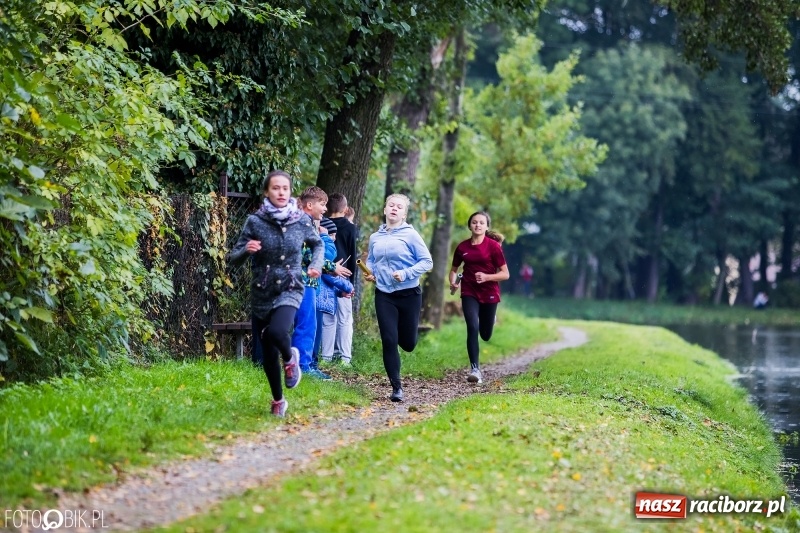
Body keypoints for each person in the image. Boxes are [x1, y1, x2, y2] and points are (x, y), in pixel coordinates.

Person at [228, 170, 323, 417]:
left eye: (285, 188)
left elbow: (318, 244)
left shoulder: (300, 220)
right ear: (266, 192)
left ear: (290, 192)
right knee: (268, 353)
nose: (281, 192)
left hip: (290, 287)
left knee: (278, 332)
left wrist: (315, 264)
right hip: (262, 291)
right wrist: (246, 250)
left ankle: (290, 356)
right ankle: (278, 400)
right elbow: (232, 258)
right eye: (276, 188)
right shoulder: (255, 222)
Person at [364, 194, 433, 402]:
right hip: (384, 293)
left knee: (409, 343)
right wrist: (371, 272)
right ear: (385, 210)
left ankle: (408, 341)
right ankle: (396, 387)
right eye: (391, 205)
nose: (394, 208)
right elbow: (372, 260)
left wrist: (405, 273)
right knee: (388, 339)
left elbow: (427, 262)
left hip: (409, 294)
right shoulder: (375, 237)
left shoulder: (411, 235)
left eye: (399, 207)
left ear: (404, 214)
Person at [291, 188, 350, 380]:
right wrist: (331, 266)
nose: (325, 209)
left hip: (303, 279)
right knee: (306, 325)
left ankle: (304, 364)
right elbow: (309, 256)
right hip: (303, 280)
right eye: (322, 204)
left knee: (307, 324)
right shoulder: (304, 224)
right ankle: (303, 366)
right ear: (310, 205)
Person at [449, 211, 509, 384]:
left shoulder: (493, 247)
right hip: (469, 290)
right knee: (472, 326)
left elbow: (505, 274)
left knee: (485, 335)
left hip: (489, 291)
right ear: (470, 226)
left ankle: (490, 320)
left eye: (481, 223)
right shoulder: (462, 247)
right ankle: (475, 369)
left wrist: (487, 277)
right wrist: (453, 283)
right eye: (474, 222)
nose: (477, 225)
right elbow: (453, 270)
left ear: (486, 226)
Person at [315, 219, 354, 365]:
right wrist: (347, 286)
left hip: (327, 295)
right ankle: (325, 358)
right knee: (325, 325)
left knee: (327, 324)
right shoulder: (324, 249)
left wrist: (339, 291)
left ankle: (326, 358)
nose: (334, 238)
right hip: (321, 297)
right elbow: (328, 275)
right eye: (332, 235)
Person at [327, 193, 358, 365]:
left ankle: (327, 355)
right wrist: (350, 284)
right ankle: (344, 357)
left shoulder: (322, 223)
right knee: (345, 318)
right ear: (345, 209)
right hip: (344, 275)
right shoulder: (350, 227)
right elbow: (352, 255)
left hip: (325, 275)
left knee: (328, 318)